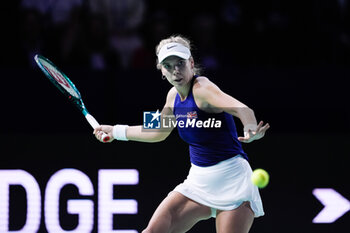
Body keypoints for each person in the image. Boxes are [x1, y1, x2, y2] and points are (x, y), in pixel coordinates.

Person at [94, 35, 270, 233]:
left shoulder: (203, 89)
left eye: (180, 63)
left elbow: (242, 109)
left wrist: (250, 127)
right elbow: (158, 130)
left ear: (191, 63)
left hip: (232, 180)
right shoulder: (173, 97)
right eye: (168, 66)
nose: (175, 70)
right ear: (162, 71)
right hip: (198, 182)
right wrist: (116, 130)